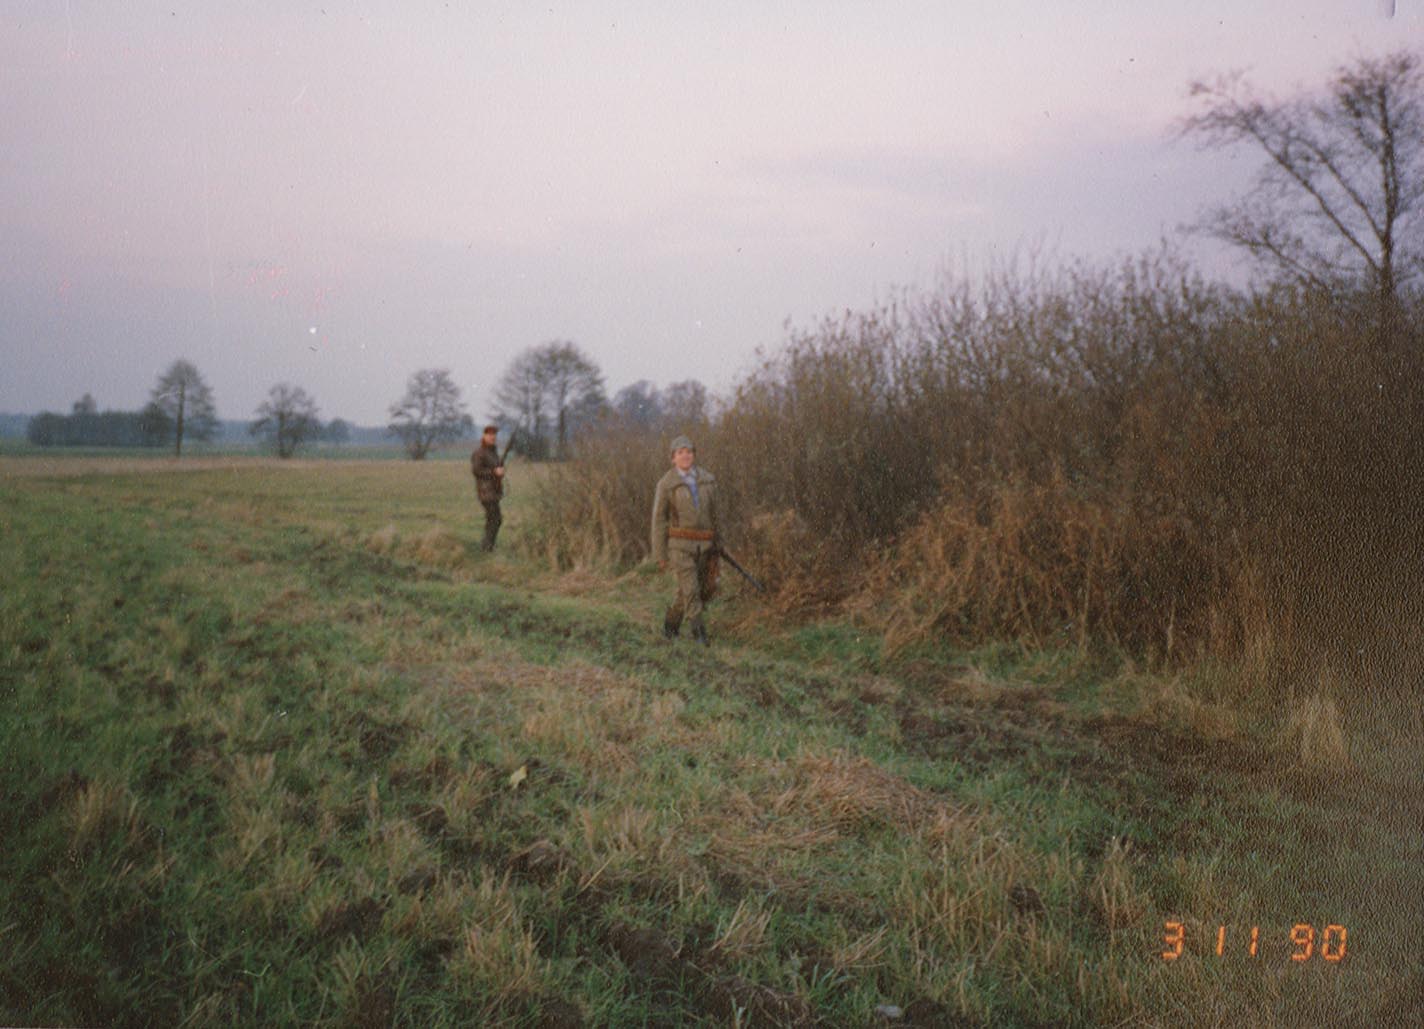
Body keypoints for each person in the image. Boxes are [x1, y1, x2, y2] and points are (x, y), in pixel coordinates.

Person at [650, 434, 721, 644]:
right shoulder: (666, 484)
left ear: (694, 455)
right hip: (679, 546)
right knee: (691, 590)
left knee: (692, 591)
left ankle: (670, 626)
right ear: (673, 458)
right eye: (680, 452)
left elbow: (717, 515)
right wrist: (660, 554)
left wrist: (719, 543)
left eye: (689, 452)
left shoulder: (708, 480)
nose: (685, 456)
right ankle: (699, 634)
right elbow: (659, 521)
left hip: (705, 545)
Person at [470, 424, 505, 551]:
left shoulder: (493, 452)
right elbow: (476, 471)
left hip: (494, 490)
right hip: (486, 491)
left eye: (494, 434)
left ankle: (488, 546)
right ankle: (487, 546)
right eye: (490, 434)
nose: (492, 437)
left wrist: (500, 472)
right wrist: (494, 472)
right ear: (484, 436)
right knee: (495, 519)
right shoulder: (479, 453)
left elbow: (497, 469)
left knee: (494, 519)